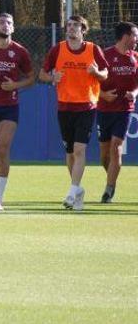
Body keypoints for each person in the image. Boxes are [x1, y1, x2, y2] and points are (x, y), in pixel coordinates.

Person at [39, 15, 109, 210]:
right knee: (69, 153)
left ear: (83, 29)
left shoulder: (93, 49)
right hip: (64, 106)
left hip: (86, 105)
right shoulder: (57, 49)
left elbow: (105, 74)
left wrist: (96, 73)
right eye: (69, 25)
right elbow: (42, 74)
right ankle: (77, 189)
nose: (71, 28)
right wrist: (52, 76)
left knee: (79, 150)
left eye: (75, 25)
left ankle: (71, 192)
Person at [0, 13, 34, 211]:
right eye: (2, 22)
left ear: (13, 28)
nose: (5, 25)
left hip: (9, 107)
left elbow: (31, 77)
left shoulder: (20, 52)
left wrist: (16, 85)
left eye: (9, 22)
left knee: (2, 150)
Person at [96, 22, 137, 203]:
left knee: (116, 148)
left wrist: (134, 94)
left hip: (124, 110)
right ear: (126, 36)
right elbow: (90, 82)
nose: (136, 39)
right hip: (104, 110)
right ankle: (112, 178)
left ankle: (108, 190)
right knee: (104, 155)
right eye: (135, 35)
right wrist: (103, 94)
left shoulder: (135, 57)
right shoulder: (104, 55)